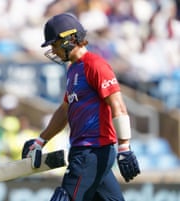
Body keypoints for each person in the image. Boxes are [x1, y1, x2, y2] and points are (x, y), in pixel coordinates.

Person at [22, 13, 140, 201]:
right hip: (85, 151)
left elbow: (118, 105)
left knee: (63, 198)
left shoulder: (95, 65)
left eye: (54, 44)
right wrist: (40, 141)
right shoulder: (73, 69)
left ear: (69, 39)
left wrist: (124, 147)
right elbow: (65, 110)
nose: (53, 49)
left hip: (92, 149)